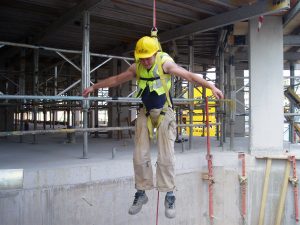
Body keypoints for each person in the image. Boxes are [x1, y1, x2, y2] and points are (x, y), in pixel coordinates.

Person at [82, 36, 223, 219]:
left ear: (155, 53)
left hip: (165, 112)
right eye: (143, 58)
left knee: (166, 155)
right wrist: (94, 88)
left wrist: (209, 85)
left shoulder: (165, 64)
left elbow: (188, 75)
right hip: (145, 113)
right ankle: (141, 192)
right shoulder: (137, 67)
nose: (146, 61)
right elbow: (116, 79)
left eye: (149, 57)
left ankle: (169, 193)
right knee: (139, 155)